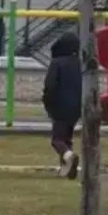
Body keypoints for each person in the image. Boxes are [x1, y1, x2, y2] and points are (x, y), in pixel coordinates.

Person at [42, 32, 82, 178]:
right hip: (77, 107)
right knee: (67, 138)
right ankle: (67, 169)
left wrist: (47, 102)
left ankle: (68, 156)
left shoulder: (57, 63)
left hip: (59, 106)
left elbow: (50, 86)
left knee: (57, 140)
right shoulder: (80, 63)